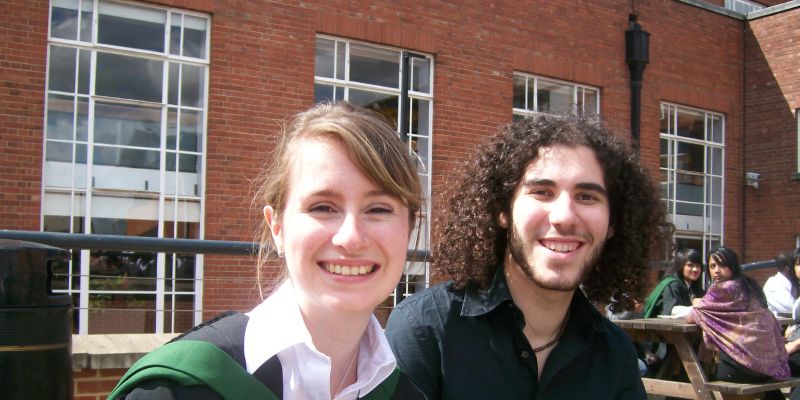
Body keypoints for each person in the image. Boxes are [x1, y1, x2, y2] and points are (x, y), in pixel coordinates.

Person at [107, 102, 426, 400]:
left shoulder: (404, 393)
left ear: (409, 228)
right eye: (323, 207)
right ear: (277, 228)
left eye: (379, 209)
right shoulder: (173, 391)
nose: (351, 238)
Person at [385, 114, 671, 399]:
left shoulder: (616, 355)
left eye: (587, 196)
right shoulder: (425, 330)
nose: (565, 217)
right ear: (503, 211)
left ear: (612, 224)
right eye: (542, 192)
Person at [687, 246, 790, 400]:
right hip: (769, 368)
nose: (716, 270)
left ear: (732, 266)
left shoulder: (723, 288)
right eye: (712, 266)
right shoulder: (750, 286)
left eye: (722, 265)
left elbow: (692, 316)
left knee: (700, 368)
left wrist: (696, 304)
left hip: (740, 367)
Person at [642, 248, 705, 319]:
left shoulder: (695, 287)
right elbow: (672, 311)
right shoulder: (672, 285)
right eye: (690, 265)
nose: (695, 269)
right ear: (680, 267)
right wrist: (698, 308)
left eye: (698, 266)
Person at [764, 251, 800, 316]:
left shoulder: (794, 282)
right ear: (787, 268)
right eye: (796, 264)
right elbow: (793, 308)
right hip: (782, 325)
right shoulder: (773, 285)